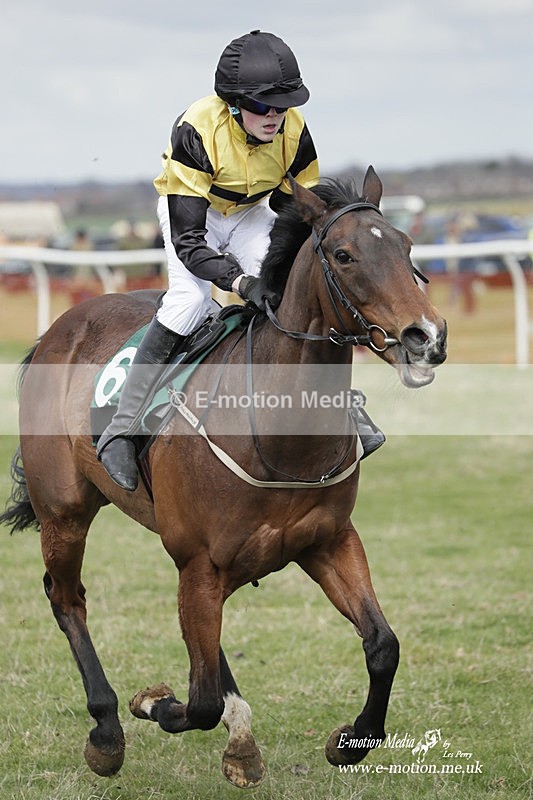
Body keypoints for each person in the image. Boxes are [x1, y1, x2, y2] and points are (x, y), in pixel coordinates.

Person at [97, 29, 384, 491]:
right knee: (188, 304)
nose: (275, 116)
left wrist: (282, 274)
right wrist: (240, 281)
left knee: (293, 294)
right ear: (233, 103)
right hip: (193, 213)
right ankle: (121, 429)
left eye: (282, 105)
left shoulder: (294, 130)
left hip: (250, 213)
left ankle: (343, 404)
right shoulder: (197, 130)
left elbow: (301, 213)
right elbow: (191, 241)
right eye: (263, 107)